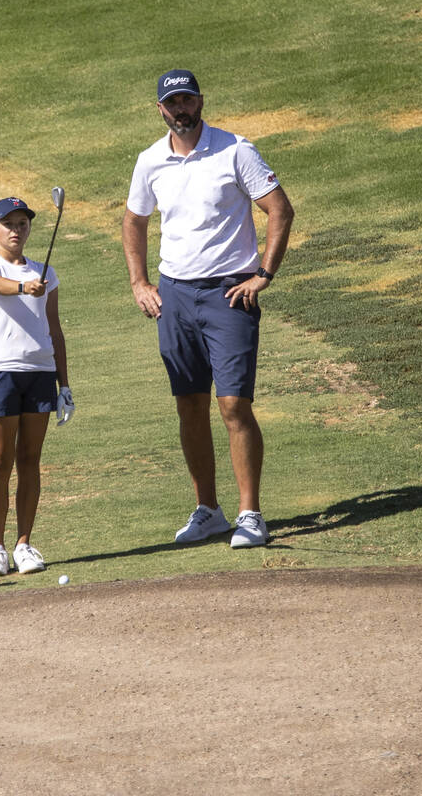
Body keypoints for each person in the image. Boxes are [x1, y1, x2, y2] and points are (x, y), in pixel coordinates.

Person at [122, 69, 294, 549]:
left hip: (229, 293)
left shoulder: (235, 149)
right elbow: (134, 221)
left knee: (234, 404)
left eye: (188, 100)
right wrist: (139, 282)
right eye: (172, 103)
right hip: (175, 295)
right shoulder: (150, 161)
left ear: (201, 102)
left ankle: (250, 514)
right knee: (189, 404)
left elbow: (279, 209)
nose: (181, 109)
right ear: (160, 109)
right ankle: (208, 511)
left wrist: (264, 273)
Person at [0, 197, 75, 577]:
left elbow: (55, 330)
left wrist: (65, 385)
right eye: (8, 223)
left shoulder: (47, 273)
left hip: (41, 373)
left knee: (30, 460)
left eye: (23, 223)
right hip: (1, 372)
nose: (17, 230)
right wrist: (24, 286)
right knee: (0, 461)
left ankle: (23, 544)